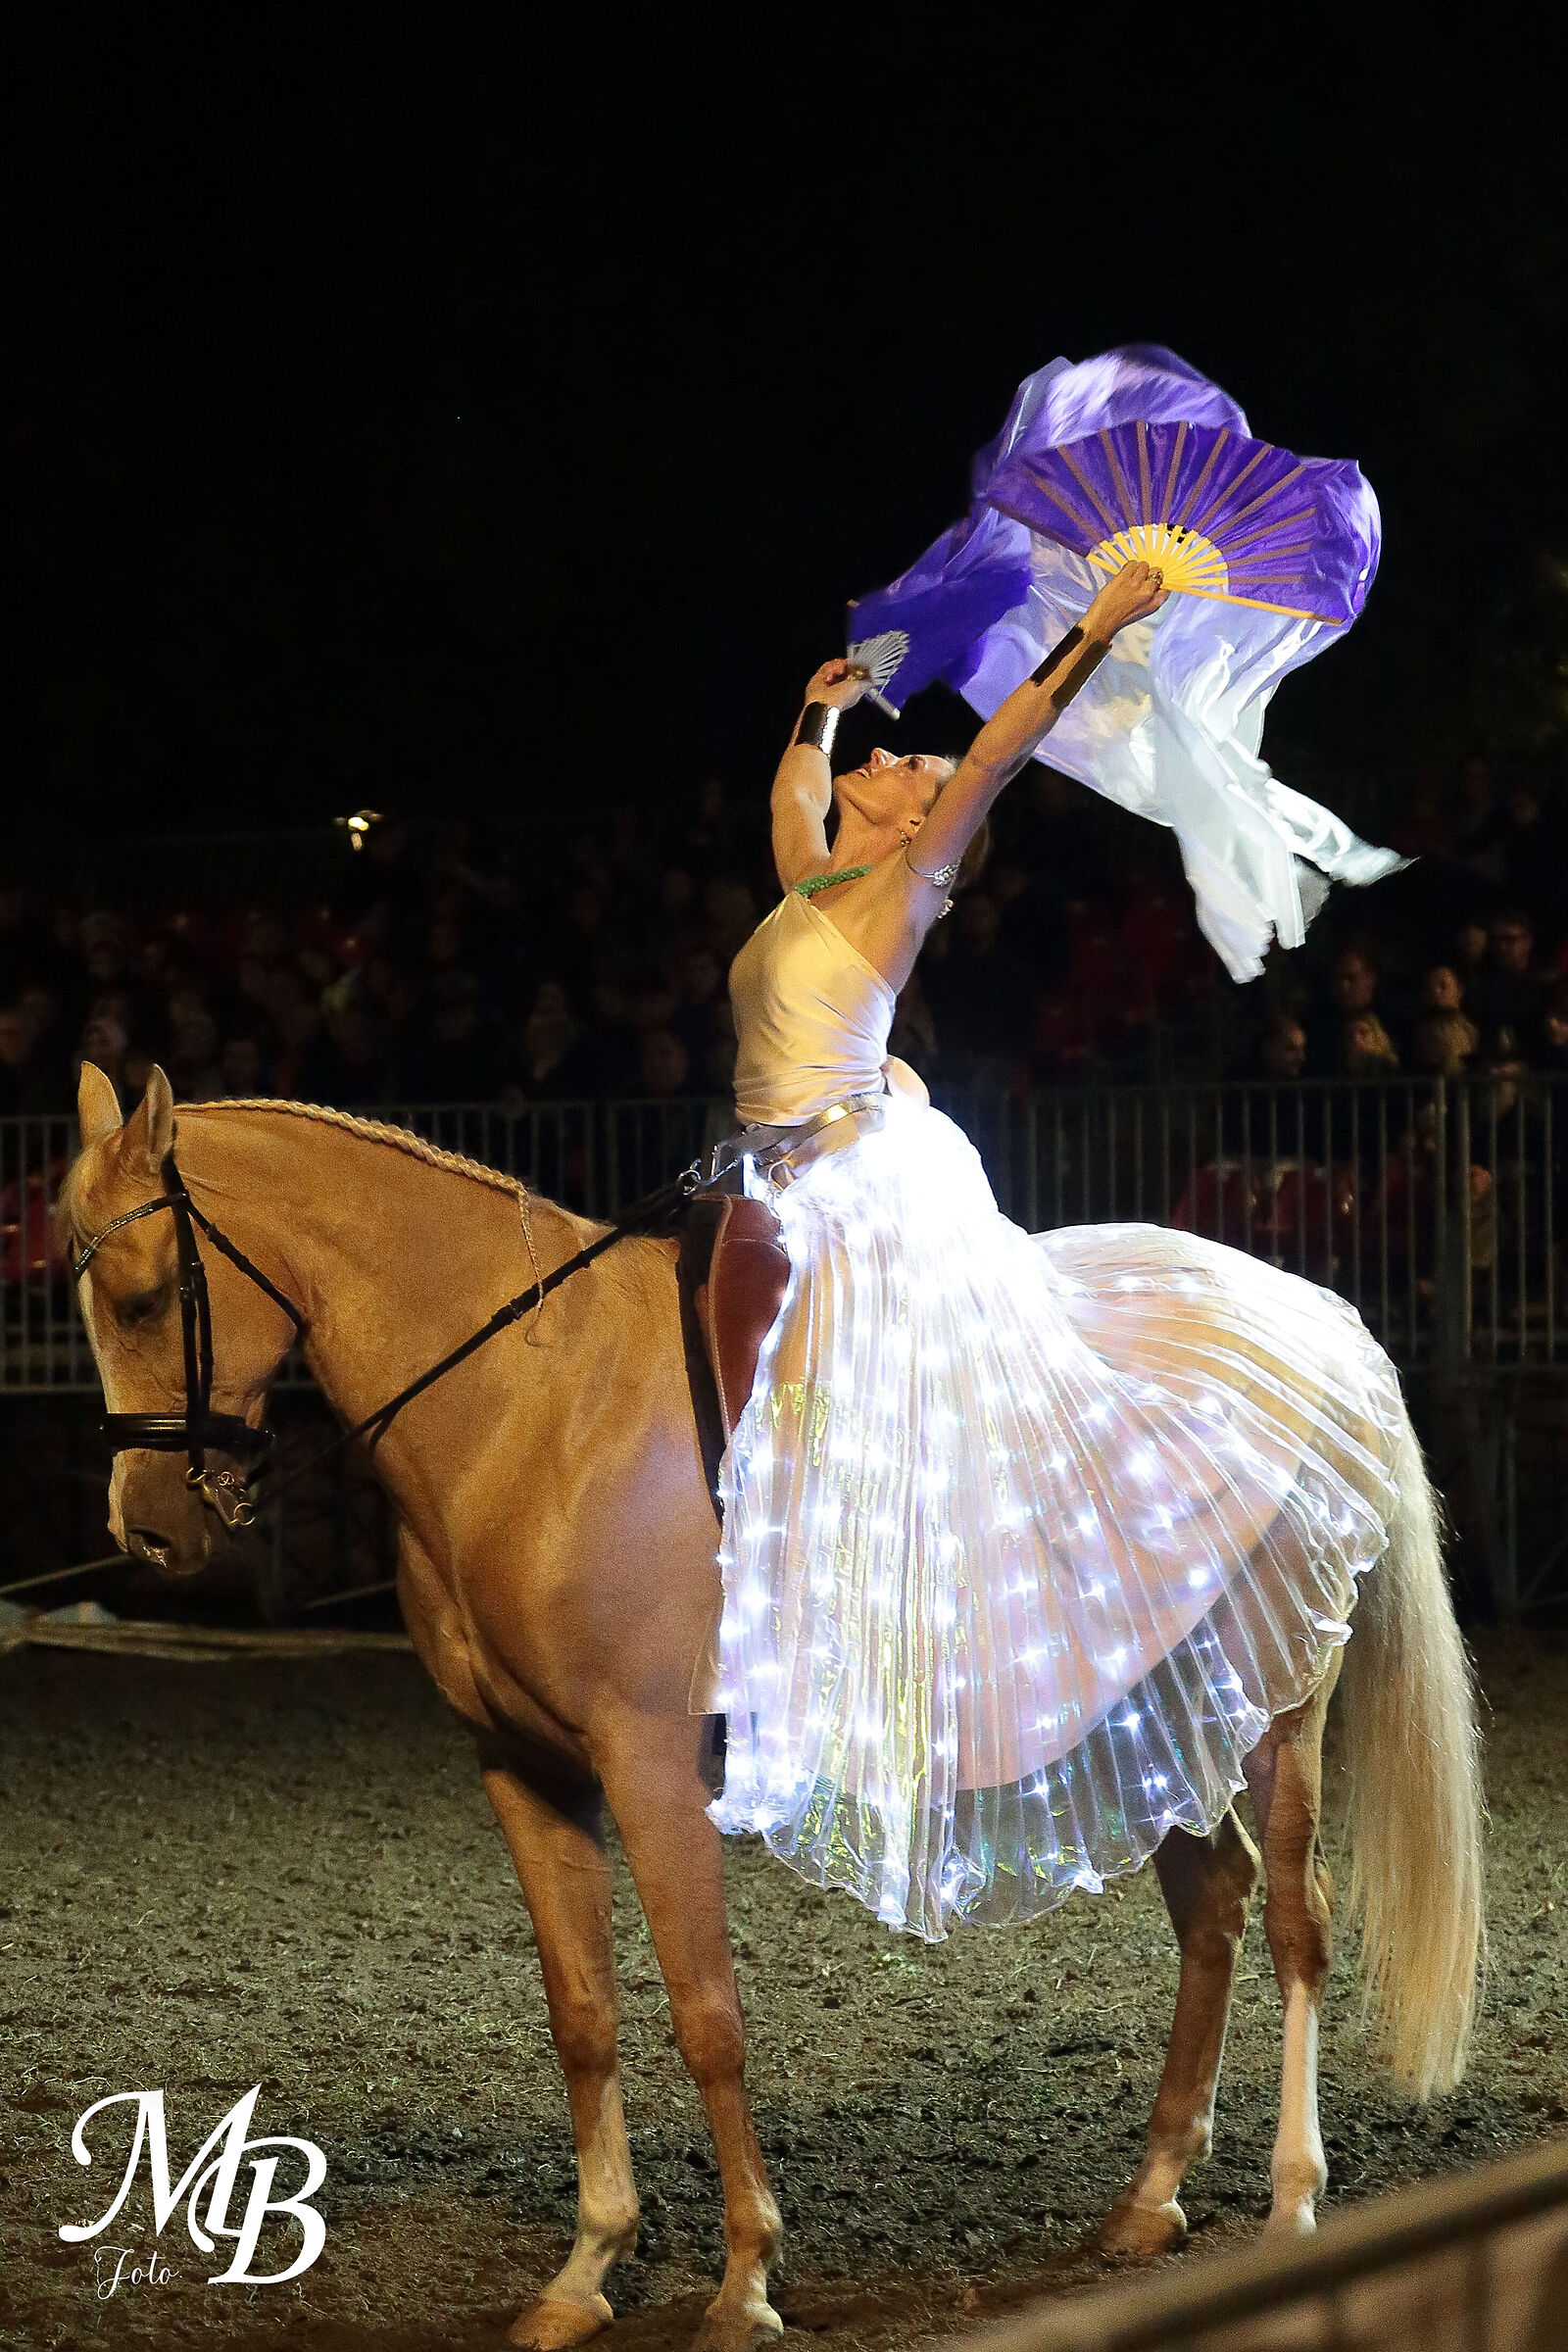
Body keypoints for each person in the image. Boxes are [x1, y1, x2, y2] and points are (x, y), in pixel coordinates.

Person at [705, 561, 1407, 1936]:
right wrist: (816, 717)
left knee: (877, 1431)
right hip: (775, 1180)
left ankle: (959, 1663)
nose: (907, 755)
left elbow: (1003, 741)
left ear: (923, 822)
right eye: (894, 753)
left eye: (909, 760)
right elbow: (792, 795)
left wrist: (1096, 629)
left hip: (858, 1192)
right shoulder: (816, 874)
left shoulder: (902, 884)